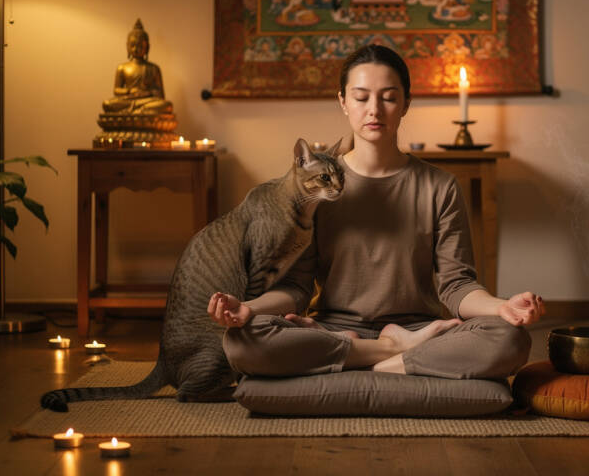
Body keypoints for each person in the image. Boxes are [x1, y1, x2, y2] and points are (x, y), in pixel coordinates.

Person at [208, 44, 544, 379]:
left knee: (510, 338)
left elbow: (457, 287)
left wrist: (501, 307)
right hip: (334, 329)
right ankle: (395, 354)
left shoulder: (440, 186)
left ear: (405, 104)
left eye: (388, 97)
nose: (374, 110)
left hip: (418, 326)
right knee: (242, 339)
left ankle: (361, 360)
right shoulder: (317, 188)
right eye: (361, 97)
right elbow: (297, 288)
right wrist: (246, 309)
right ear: (343, 102)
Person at [103, 19, 173, 115]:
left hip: (147, 101)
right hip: (129, 100)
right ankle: (140, 112)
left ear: (147, 47)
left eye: (140, 46)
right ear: (127, 46)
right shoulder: (122, 67)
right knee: (107, 104)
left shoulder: (153, 68)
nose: (136, 49)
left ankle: (134, 112)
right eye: (133, 46)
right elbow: (117, 90)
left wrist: (147, 93)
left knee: (167, 105)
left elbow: (160, 94)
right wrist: (129, 91)